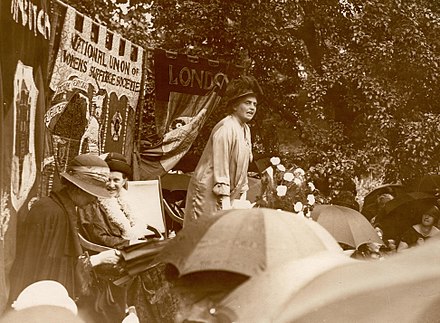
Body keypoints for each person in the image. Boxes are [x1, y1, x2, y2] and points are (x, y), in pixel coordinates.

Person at [9, 154, 122, 322]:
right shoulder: (52, 213)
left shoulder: (62, 209)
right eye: (92, 193)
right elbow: (54, 272)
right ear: (77, 189)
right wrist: (97, 260)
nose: (94, 199)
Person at [184, 76, 262, 225]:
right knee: (203, 233)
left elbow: (244, 164)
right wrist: (225, 198)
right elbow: (221, 164)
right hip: (207, 189)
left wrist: (242, 192)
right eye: (247, 103)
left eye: (255, 104)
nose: (252, 108)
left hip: (227, 192)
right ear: (234, 106)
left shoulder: (245, 129)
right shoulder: (226, 128)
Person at [79, 152, 160, 248]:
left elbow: (136, 226)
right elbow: (98, 238)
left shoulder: (124, 200)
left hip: (128, 247)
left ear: (124, 181)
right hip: (108, 253)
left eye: (116, 180)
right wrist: (132, 244)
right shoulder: (92, 203)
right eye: (107, 180)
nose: (111, 185)